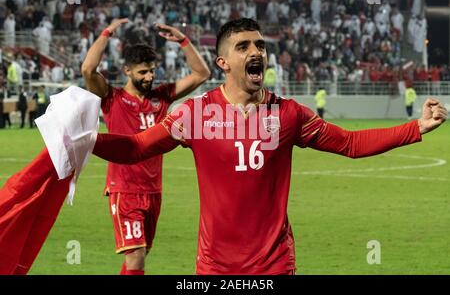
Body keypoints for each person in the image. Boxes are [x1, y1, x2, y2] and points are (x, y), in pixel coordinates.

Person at [92, 18, 447, 275]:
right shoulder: (197, 114)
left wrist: (415, 127)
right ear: (224, 62)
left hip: (274, 264)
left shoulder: (289, 114)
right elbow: (137, 148)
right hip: (214, 267)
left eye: (260, 45)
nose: (256, 51)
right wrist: (86, 141)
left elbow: (351, 143)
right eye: (243, 46)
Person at [81, 18, 210, 275]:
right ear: (127, 71)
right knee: (136, 257)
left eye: (152, 70)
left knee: (137, 256)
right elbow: (88, 69)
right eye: (143, 72)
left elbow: (202, 74)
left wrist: (182, 40)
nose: (149, 76)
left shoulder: (161, 97)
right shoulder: (112, 98)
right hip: (125, 190)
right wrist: (106, 32)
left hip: (153, 191)